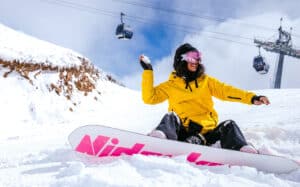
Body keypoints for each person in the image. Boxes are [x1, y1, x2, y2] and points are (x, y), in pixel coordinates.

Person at [139, 43, 270, 154]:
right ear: (181, 60)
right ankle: (161, 138)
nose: (196, 61)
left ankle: (242, 149)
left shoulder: (206, 81)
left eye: (198, 57)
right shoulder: (171, 85)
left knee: (229, 125)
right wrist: (148, 72)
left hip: (207, 134)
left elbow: (227, 91)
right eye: (192, 57)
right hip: (182, 131)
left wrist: (252, 98)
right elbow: (149, 98)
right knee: (171, 116)